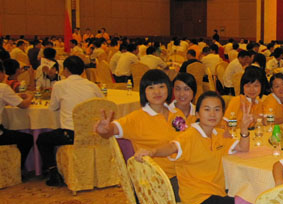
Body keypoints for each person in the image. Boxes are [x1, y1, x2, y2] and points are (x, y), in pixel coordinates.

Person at [134, 91, 252, 204]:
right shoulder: (190, 136)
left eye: (217, 109)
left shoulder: (219, 134)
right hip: (197, 202)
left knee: (252, 203)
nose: (212, 114)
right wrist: (152, 152)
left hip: (217, 195)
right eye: (207, 109)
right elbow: (172, 147)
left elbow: (243, 147)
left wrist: (244, 129)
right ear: (197, 113)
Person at [94, 69, 182, 191]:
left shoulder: (177, 113)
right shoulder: (137, 118)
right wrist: (105, 130)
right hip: (159, 179)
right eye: (151, 88)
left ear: (168, 88)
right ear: (144, 92)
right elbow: (113, 129)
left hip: (182, 172)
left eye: (161, 86)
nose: (157, 91)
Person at [36, 56, 103, 184]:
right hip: (92, 132)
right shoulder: (92, 85)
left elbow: (53, 107)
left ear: (66, 69)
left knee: (42, 139)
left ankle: (53, 172)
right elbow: (101, 103)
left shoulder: (60, 85)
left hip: (70, 134)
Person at [0, 61, 33, 176]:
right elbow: (23, 105)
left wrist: (16, 96)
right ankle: (18, 169)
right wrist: (29, 97)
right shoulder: (2, 88)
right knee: (27, 139)